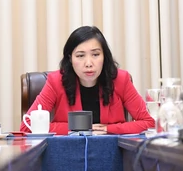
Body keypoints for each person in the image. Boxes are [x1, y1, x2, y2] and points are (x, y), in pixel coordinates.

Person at [20, 26, 154, 135]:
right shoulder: (56, 81)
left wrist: (109, 129)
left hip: (111, 153)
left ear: (104, 57)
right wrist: (78, 129)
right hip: (69, 153)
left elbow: (149, 122)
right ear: (70, 59)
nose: (89, 63)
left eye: (95, 55)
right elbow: (27, 126)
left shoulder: (120, 80)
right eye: (80, 56)